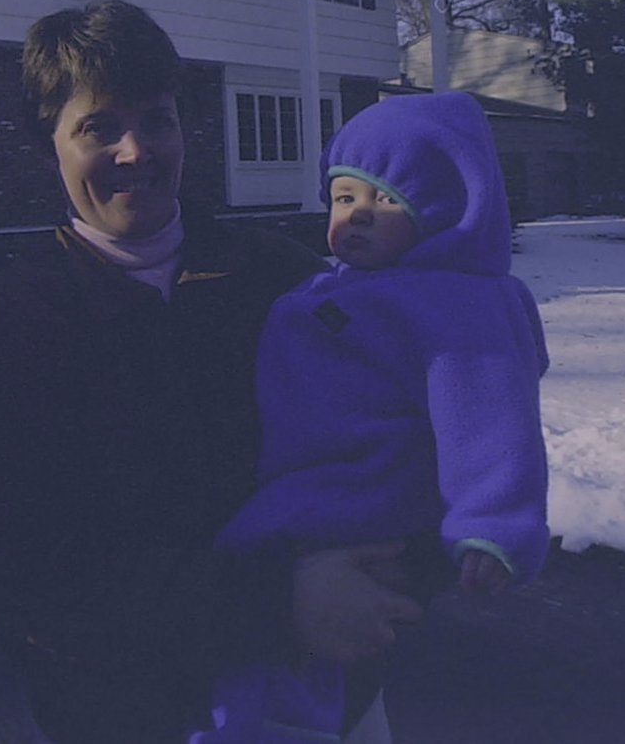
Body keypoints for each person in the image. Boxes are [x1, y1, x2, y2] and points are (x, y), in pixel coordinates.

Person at [0, 0, 423, 744]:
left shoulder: (285, 283)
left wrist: (406, 569)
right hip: (126, 713)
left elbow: (399, 447)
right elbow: (24, 566)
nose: (135, 151)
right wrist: (277, 602)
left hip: (323, 701)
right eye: (98, 127)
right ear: (49, 145)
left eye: (157, 120)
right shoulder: (14, 320)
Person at [195, 90, 551, 743]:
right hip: (310, 482)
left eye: (384, 199)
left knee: (286, 627)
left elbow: (491, 421)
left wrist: (494, 523)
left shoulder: (456, 305)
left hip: (363, 487)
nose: (357, 213)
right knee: (246, 604)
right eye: (343, 196)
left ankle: (271, 725)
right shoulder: (348, 283)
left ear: (438, 210)